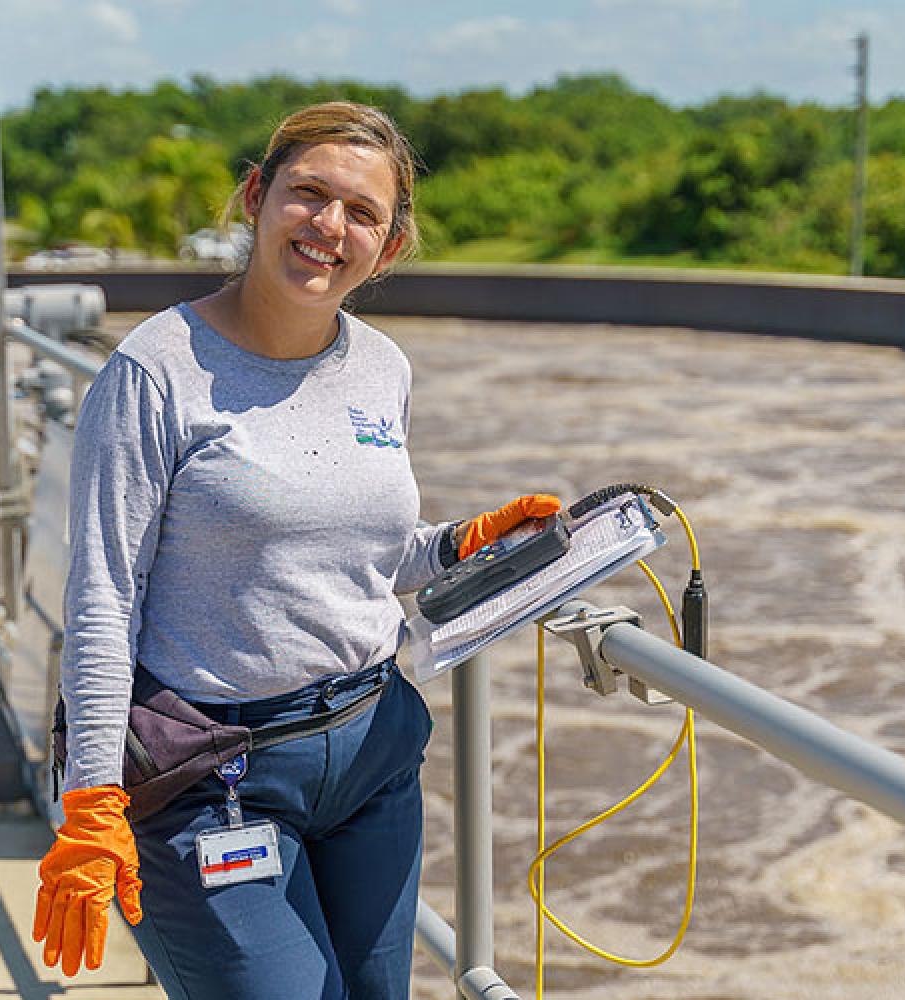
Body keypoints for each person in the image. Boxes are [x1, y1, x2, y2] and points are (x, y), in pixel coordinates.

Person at [32, 101, 560, 1000]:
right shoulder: (155, 372)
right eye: (307, 194)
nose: (329, 227)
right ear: (255, 196)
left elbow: (358, 556)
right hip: (213, 774)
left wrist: (458, 547)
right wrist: (90, 800)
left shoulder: (382, 367)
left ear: (388, 247)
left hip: (371, 755)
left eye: (362, 213)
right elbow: (102, 598)